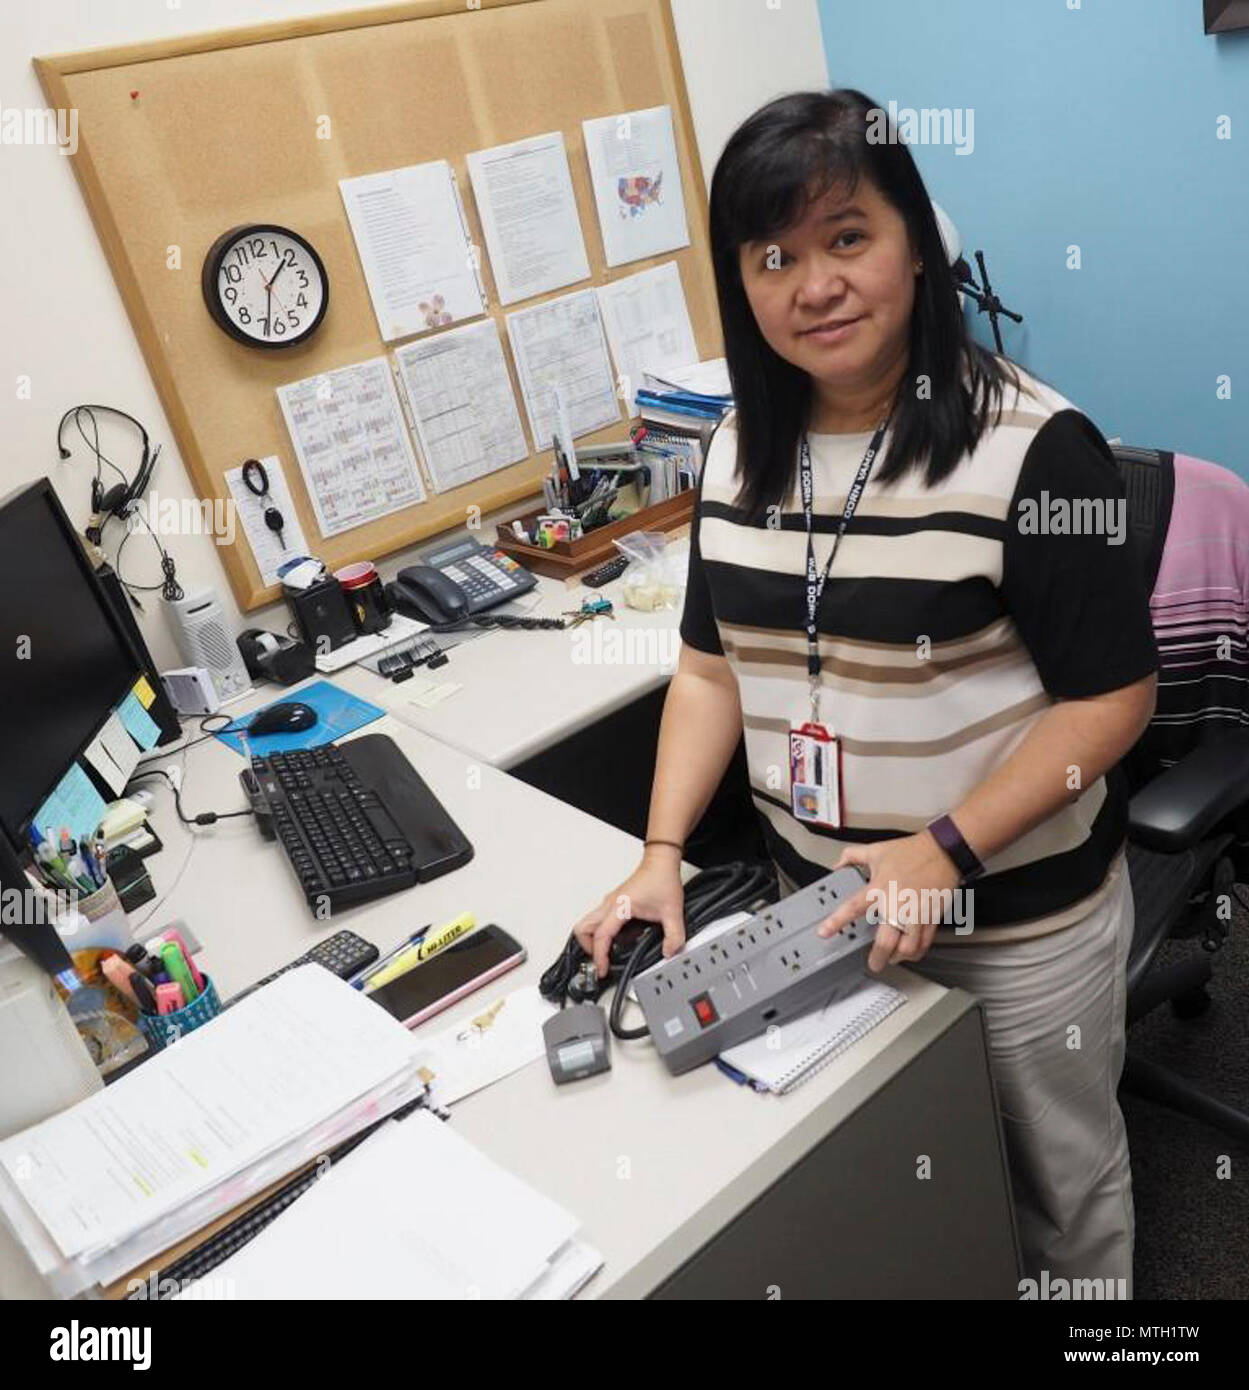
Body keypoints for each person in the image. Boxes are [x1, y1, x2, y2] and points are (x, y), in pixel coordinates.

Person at [573, 89, 1158, 1292]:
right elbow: (706, 665)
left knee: (1063, 1194)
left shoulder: (1036, 448)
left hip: (1011, 922)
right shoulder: (734, 446)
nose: (813, 284)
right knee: (898, 1183)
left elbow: (1112, 703)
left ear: (916, 244)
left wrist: (941, 850)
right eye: (773, 255)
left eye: (847, 238)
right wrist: (660, 851)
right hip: (825, 923)